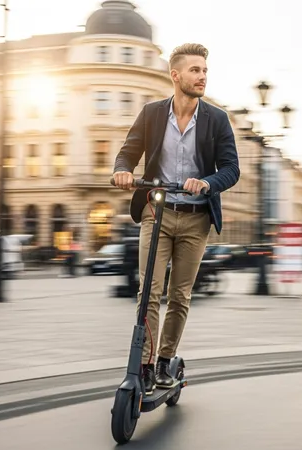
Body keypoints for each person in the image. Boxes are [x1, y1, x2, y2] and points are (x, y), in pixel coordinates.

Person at [112, 43, 240, 395]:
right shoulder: (152, 114)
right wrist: (123, 172)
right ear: (176, 75)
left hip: (196, 219)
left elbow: (231, 169)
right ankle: (146, 363)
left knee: (179, 295)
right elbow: (128, 153)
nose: (202, 76)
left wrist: (207, 183)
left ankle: (167, 358)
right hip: (158, 212)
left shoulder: (217, 119)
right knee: (148, 292)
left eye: (205, 71)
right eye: (195, 70)